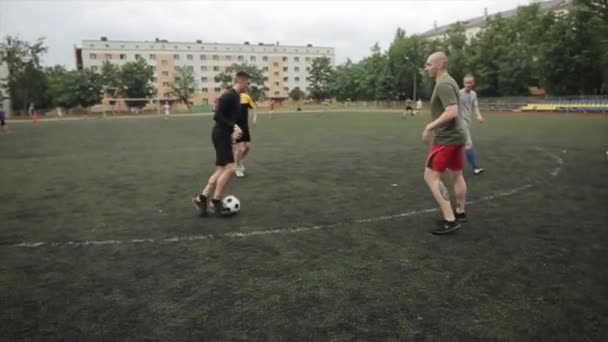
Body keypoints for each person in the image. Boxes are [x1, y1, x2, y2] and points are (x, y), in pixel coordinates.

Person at [422, 52, 467, 235]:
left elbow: (451, 112)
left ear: (439, 65)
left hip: (446, 139)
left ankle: (450, 220)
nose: (426, 68)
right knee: (457, 175)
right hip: (457, 137)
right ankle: (460, 212)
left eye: (428, 64)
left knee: (431, 177)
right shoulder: (449, 81)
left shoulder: (444, 84)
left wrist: (429, 127)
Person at [192, 71, 250, 216]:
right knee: (231, 168)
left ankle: (202, 198)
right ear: (240, 81)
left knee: (221, 170)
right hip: (220, 134)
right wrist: (233, 126)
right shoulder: (229, 95)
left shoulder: (236, 97)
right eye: (247, 83)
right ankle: (215, 201)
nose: (249, 85)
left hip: (225, 134)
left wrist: (233, 131)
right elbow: (217, 116)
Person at [460, 75, 485, 175]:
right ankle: (475, 168)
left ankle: (445, 165)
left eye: (470, 83)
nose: (468, 85)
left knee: (456, 144)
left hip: (467, 121)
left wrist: (479, 116)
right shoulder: (458, 93)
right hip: (460, 122)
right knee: (468, 144)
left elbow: (475, 107)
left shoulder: (473, 94)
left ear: (473, 83)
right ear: (463, 83)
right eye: (466, 83)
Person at [234, 93, 257, 177]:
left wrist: (254, 118)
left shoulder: (246, 97)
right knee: (240, 148)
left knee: (247, 147)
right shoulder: (230, 97)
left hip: (245, 126)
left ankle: (239, 161)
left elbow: (253, 107)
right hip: (234, 126)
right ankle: (237, 167)